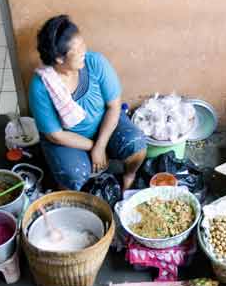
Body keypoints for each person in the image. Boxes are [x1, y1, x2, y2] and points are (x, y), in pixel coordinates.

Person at [29, 14, 147, 191]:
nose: (84, 51)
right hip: (67, 139)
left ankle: (129, 175)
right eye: (76, 51)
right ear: (59, 59)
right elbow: (56, 135)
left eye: (83, 44)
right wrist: (95, 147)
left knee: (136, 143)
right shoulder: (41, 86)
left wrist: (101, 145)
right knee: (73, 174)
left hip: (104, 124)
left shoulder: (95, 62)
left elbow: (114, 106)